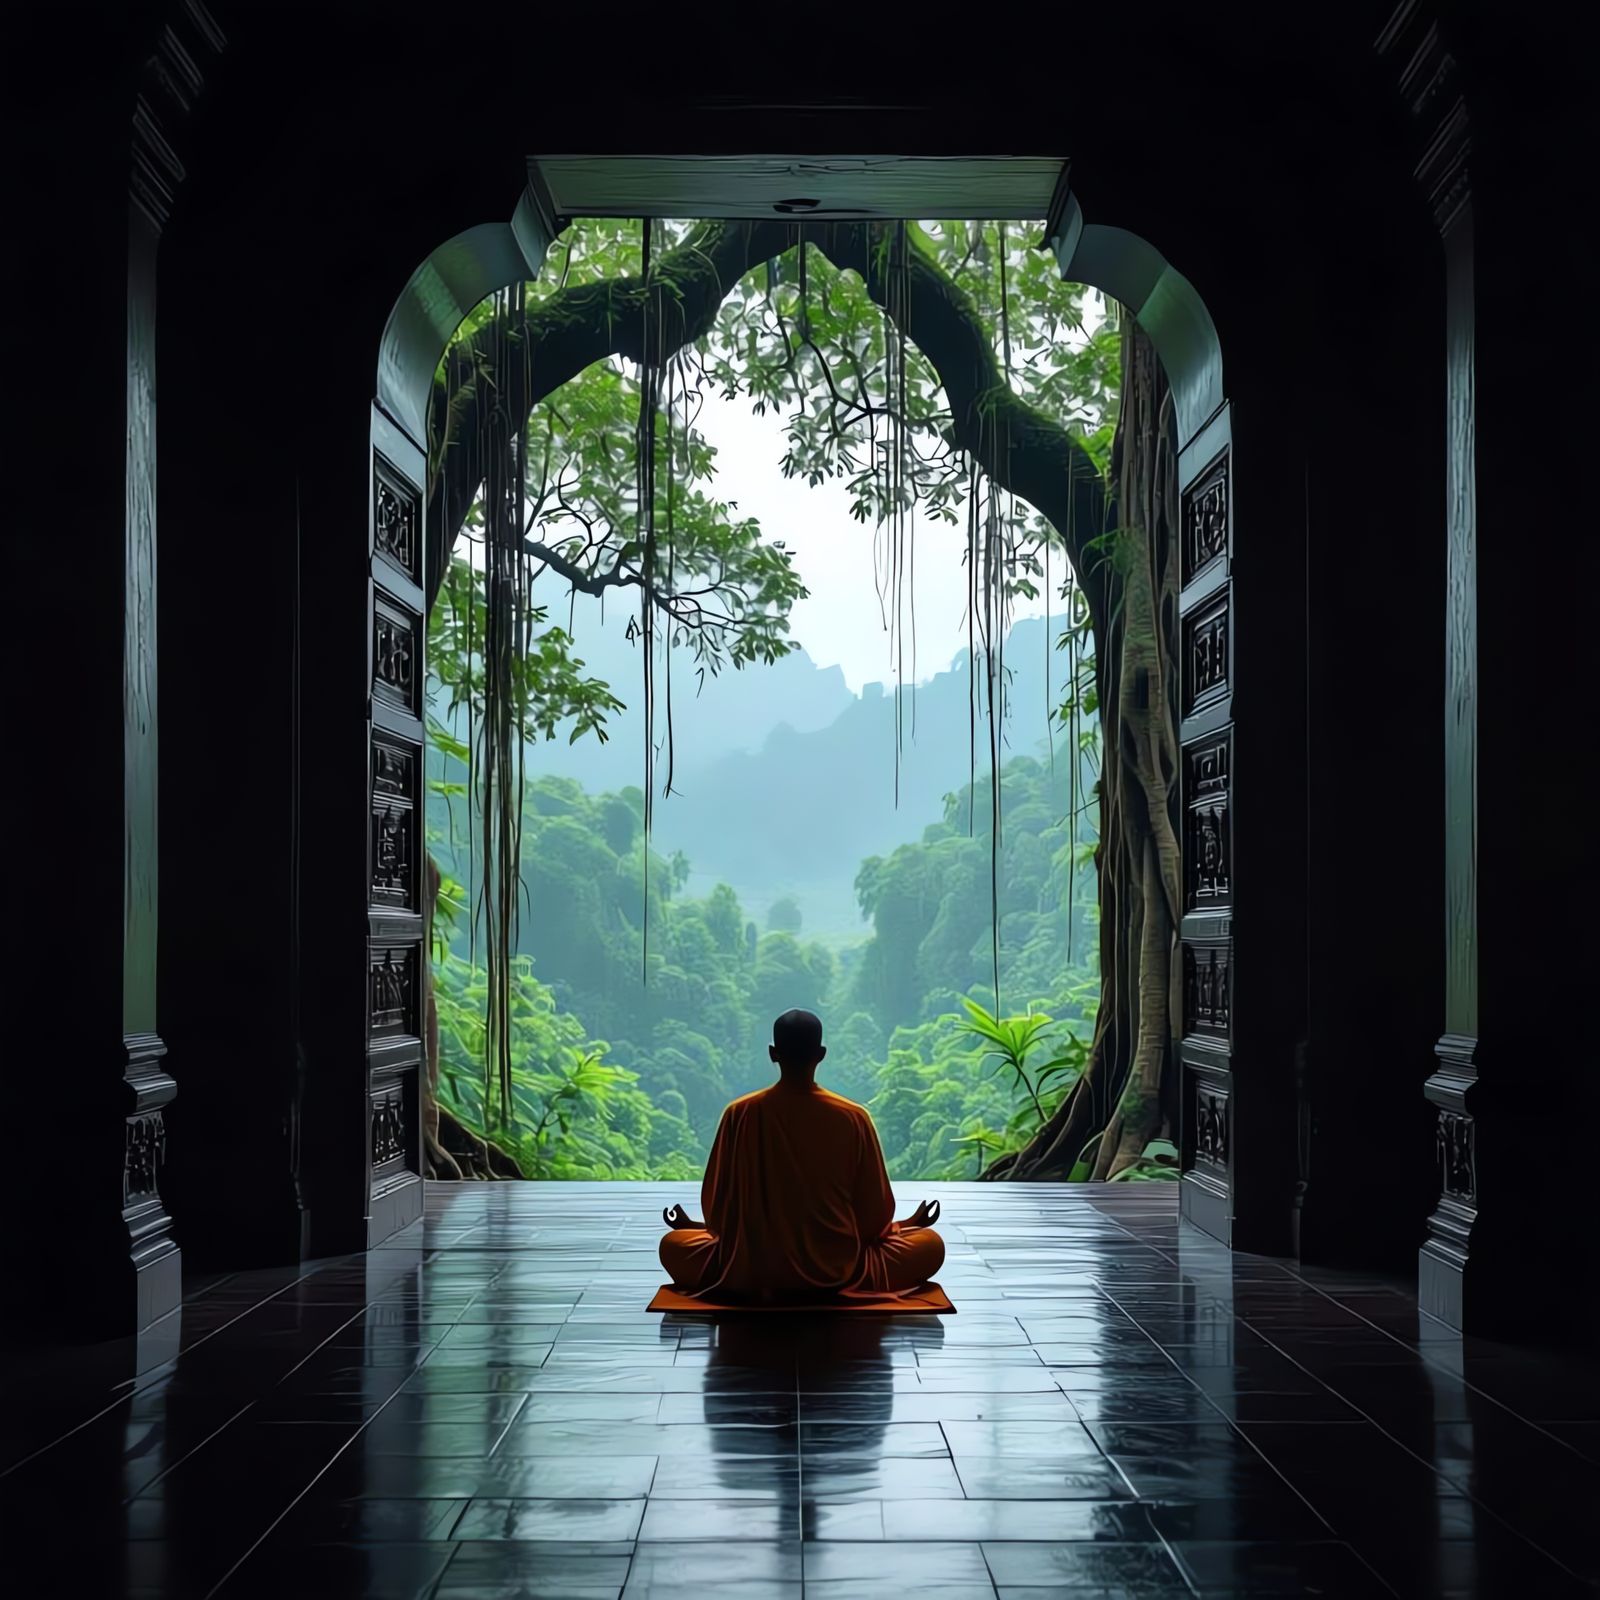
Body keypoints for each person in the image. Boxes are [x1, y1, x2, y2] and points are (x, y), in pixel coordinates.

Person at [659, 1008, 946, 1303]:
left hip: (750, 1269)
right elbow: (874, 1220)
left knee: (673, 1245)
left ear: (773, 1053)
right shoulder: (853, 1117)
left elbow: (718, 1214)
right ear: (821, 1054)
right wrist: (908, 1224)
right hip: (839, 1271)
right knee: (930, 1245)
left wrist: (695, 1227)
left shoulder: (739, 1114)